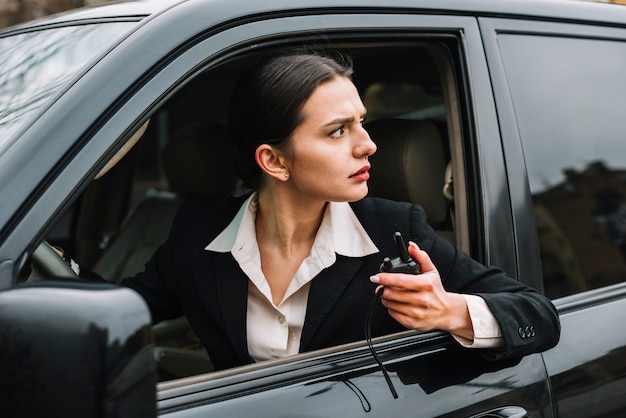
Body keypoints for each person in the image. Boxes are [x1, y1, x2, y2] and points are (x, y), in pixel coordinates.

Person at [82, 52, 560, 370]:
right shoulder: (196, 232)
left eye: (361, 124)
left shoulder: (395, 229)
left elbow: (539, 316)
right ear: (274, 160)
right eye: (338, 131)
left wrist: (450, 310)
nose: (369, 145)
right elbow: (115, 314)